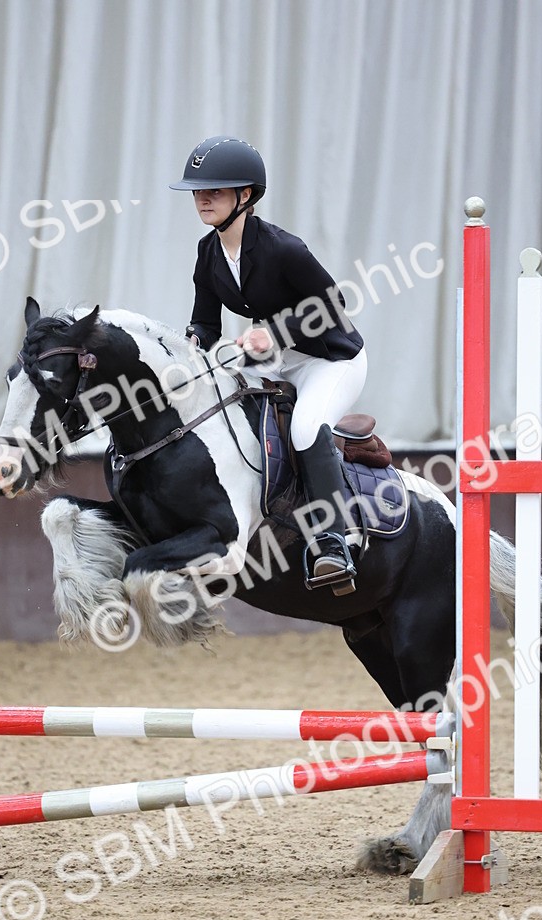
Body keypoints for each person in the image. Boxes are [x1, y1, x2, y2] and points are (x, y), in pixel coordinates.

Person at [170, 135, 367, 592]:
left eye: (214, 190)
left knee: (303, 428)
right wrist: (188, 347)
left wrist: (274, 333)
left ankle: (334, 543)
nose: (202, 198)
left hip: (330, 360)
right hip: (275, 362)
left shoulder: (283, 248)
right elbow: (205, 322)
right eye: (198, 191)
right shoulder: (208, 251)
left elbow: (334, 303)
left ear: (246, 195)